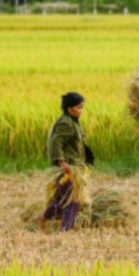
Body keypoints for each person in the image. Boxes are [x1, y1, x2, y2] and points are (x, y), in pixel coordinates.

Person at [42, 91, 95, 231]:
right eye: (79, 108)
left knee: (67, 199)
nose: (81, 111)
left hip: (75, 166)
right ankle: (66, 229)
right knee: (71, 200)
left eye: (82, 107)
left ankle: (43, 218)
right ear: (69, 108)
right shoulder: (65, 123)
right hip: (68, 169)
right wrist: (62, 162)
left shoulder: (72, 122)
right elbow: (55, 142)